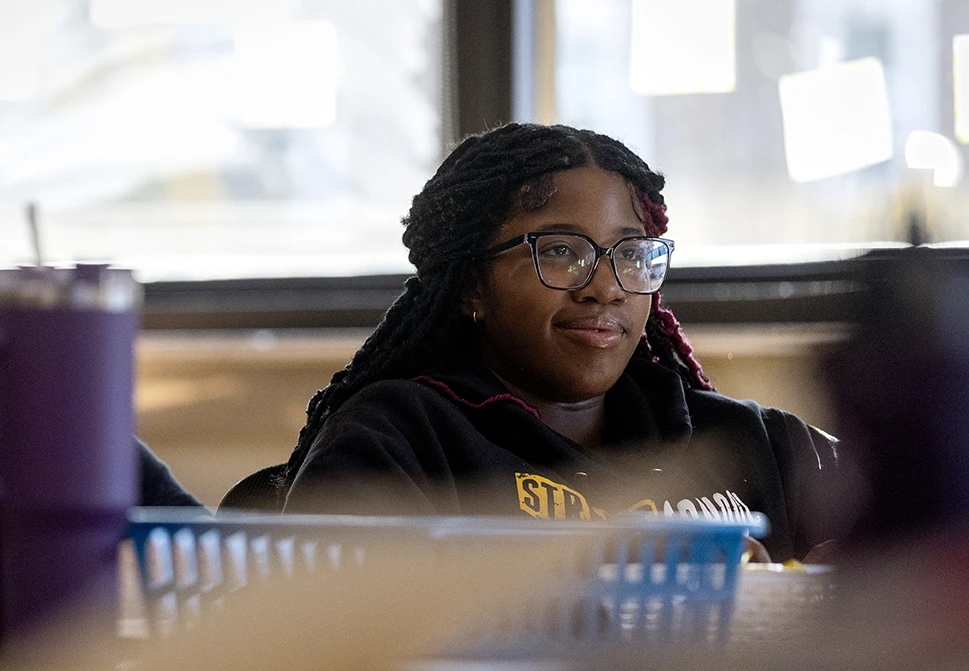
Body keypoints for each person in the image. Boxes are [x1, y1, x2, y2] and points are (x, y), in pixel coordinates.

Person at [221, 123, 839, 562]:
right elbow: (339, 633)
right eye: (562, 252)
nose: (605, 287)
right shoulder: (402, 435)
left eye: (631, 254)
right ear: (472, 287)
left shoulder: (751, 442)